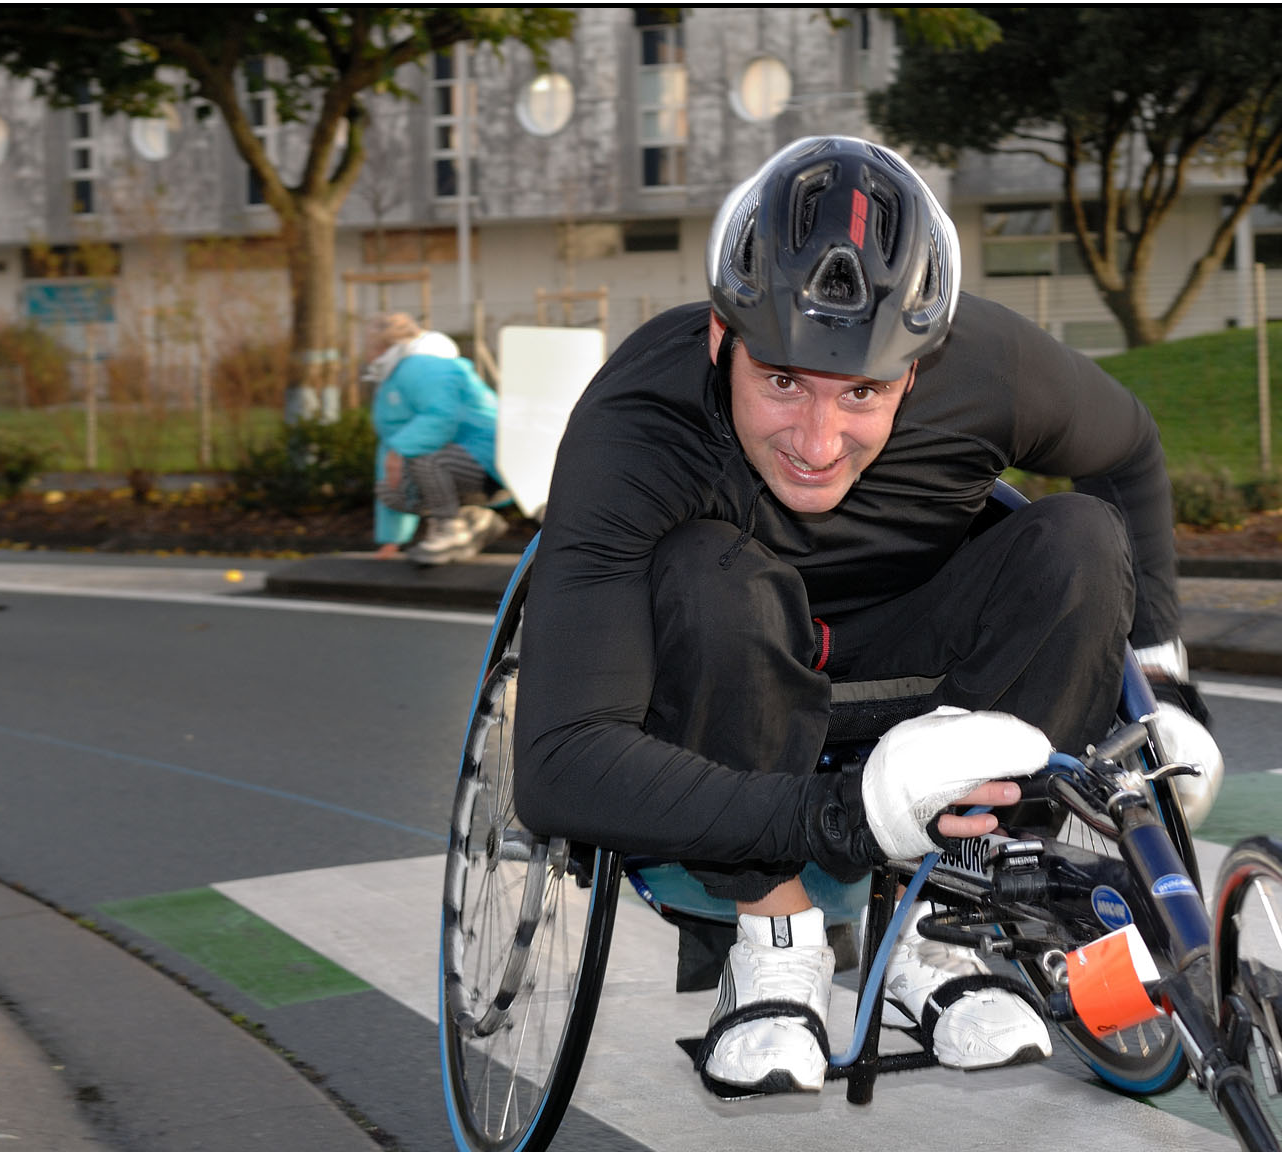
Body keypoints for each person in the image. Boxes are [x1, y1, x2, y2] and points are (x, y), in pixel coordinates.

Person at [515, 136, 1222, 1098]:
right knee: (708, 574)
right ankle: (777, 935)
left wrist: (1167, 680)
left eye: (862, 392)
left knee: (1081, 541)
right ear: (722, 339)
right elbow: (557, 766)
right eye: (781, 381)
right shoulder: (635, 424)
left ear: (919, 370)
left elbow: (1128, 451)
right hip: (728, 672)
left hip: (920, 660)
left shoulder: (997, 368)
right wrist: (844, 815)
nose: (816, 441)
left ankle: (946, 917)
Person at [365, 312, 509, 566]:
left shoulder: (424, 365)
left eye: (369, 346)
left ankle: (450, 527)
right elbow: (395, 446)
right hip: (469, 461)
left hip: (493, 461)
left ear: (382, 346)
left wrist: (399, 451)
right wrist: (392, 539)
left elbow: (441, 417)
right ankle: (470, 519)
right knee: (391, 489)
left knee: (424, 460)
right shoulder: (398, 372)